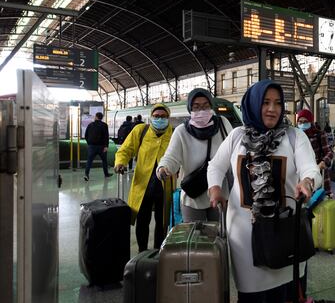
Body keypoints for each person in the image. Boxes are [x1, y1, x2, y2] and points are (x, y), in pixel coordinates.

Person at [207, 80, 322, 303]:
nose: (272, 109)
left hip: (285, 234)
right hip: (244, 236)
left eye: (278, 103)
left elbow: (311, 167)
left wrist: (307, 181)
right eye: (266, 102)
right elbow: (215, 166)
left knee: (288, 293)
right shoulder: (237, 136)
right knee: (252, 295)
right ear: (253, 104)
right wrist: (215, 189)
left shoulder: (294, 136)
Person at [156, 88, 233, 222]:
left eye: (205, 106)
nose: (201, 111)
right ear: (190, 109)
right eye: (196, 107)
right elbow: (171, 156)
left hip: (220, 193)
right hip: (193, 197)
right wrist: (164, 168)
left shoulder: (222, 125)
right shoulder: (182, 131)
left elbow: (234, 150)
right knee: (196, 239)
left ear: (211, 106)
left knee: (219, 237)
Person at [114, 103, 174, 252]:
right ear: (151, 117)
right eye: (156, 116)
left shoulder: (173, 134)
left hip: (165, 186)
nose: (159, 119)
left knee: (162, 222)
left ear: (168, 118)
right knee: (142, 220)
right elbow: (126, 149)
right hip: (143, 186)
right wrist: (120, 162)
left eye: (163, 116)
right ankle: (142, 251)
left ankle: (158, 252)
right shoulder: (140, 130)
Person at [297, 109, 334, 195]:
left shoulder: (319, 134)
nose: (302, 124)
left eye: (305, 121)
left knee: (319, 202)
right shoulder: (296, 136)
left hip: (318, 173)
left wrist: (323, 162)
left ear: (311, 122)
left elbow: (330, 152)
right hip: (300, 175)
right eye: (300, 122)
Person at [83, 112, 113, 181]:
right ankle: (106, 174)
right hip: (101, 147)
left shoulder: (90, 125)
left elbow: (86, 135)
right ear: (101, 118)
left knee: (89, 161)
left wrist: (89, 143)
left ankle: (86, 174)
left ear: (96, 117)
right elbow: (106, 137)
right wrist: (106, 146)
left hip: (92, 146)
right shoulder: (104, 125)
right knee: (104, 161)